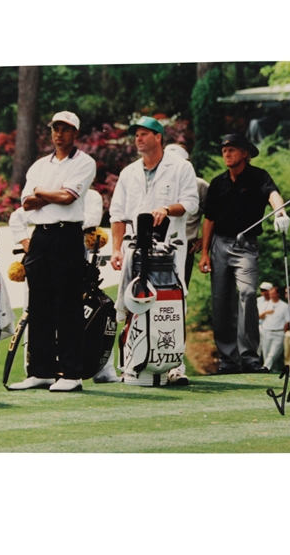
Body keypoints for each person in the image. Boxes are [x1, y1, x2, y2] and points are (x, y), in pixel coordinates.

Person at [8, 111, 96, 392]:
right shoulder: (38, 165)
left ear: (75, 134)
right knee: (40, 303)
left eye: (66, 129)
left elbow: (69, 198)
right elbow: (27, 204)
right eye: (56, 128)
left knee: (67, 303)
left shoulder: (85, 162)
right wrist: (50, 192)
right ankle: (41, 371)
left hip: (67, 235)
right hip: (41, 237)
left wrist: (42, 193)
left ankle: (72, 374)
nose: (59, 133)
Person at [109, 116, 199, 385]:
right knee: (129, 302)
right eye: (135, 134)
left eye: (144, 134)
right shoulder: (128, 172)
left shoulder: (181, 167)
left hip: (170, 247)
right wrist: (115, 249)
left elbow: (191, 204)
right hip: (134, 247)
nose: (138, 138)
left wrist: (167, 209)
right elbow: (117, 214)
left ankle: (174, 366)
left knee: (173, 303)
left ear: (158, 137)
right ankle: (130, 363)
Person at [199, 134, 290, 374]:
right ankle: (228, 360)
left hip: (245, 245)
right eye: (224, 150)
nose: (226, 154)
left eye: (231, 150)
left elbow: (273, 194)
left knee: (248, 294)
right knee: (221, 301)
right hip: (219, 244)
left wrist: (280, 213)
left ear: (244, 153)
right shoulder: (217, 182)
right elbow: (209, 219)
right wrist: (205, 254)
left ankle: (250, 357)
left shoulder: (259, 176)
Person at [163, 143, 210, 288]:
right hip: (158, 244)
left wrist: (204, 240)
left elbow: (213, 215)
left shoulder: (199, 185)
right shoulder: (158, 183)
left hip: (185, 245)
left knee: (179, 291)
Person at [259, 285, 290, 372]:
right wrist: (266, 312)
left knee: (273, 354)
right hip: (266, 331)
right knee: (266, 354)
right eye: (270, 294)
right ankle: (272, 371)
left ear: (278, 294)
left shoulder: (284, 306)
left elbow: (287, 321)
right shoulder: (266, 304)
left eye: (273, 293)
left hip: (278, 333)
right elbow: (259, 317)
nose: (271, 295)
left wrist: (282, 331)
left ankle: (265, 368)